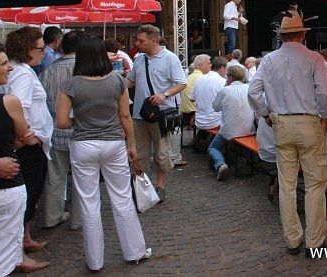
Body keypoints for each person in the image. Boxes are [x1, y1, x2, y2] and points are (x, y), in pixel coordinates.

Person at [56, 37, 150, 270]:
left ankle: (95, 261)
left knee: (89, 202)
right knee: (121, 198)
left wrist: (84, 120)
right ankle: (135, 251)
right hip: (113, 143)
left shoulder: (71, 84)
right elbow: (125, 117)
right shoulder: (117, 81)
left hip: (83, 145)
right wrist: (132, 144)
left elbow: (61, 122)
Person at [248, 12, 327, 257]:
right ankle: (314, 241)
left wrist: (265, 114)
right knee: (315, 183)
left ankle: (292, 240)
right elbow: (324, 95)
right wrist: (325, 115)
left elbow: (253, 92)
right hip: (308, 122)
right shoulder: (313, 58)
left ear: (281, 36)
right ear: (303, 34)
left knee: (287, 184)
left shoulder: (269, 60)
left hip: (281, 123)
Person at [0, 48, 48, 275]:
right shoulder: (9, 102)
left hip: (1, 182)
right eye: (3, 64)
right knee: (2, 254)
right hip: (3, 185)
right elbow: (22, 138)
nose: (9, 67)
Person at [0, 27, 54, 253]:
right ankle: (18, 246)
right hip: (27, 143)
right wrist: (25, 136)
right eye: (40, 48)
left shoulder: (20, 70)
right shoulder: (21, 72)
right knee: (29, 191)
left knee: (29, 190)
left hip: (27, 139)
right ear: (26, 49)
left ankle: (25, 238)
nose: (43, 52)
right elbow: (20, 106)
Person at [125, 25, 187, 202]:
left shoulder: (170, 58)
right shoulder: (138, 58)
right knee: (139, 154)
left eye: (141, 40)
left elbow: (181, 83)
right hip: (138, 115)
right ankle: (142, 188)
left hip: (160, 115)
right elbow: (131, 81)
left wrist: (164, 95)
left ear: (154, 40)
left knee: (161, 154)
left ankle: (160, 186)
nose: (137, 43)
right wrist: (116, 84)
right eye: (137, 40)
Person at [39, 30, 82, 230]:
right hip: (79, 130)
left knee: (55, 176)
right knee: (82, 177)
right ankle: (79, 219)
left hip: (55, 129)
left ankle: (51, 217)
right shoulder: (83, 71)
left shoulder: (48, 70)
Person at [209, 66, 254, 181]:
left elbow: (215, 108)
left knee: (213, 147)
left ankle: (221, 164)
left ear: (230, 77)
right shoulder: (249, 88)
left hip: (228, 131)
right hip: (248, 129)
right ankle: (241, 159)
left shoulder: (225, 90)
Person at [193, 57, 228, 132]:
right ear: (222, 68)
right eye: (226, 69)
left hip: (199, 121)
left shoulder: (199, 79)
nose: (226, 72)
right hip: (215, 122)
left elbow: (192, 98)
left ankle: (201, 140)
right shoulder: (223, 82)